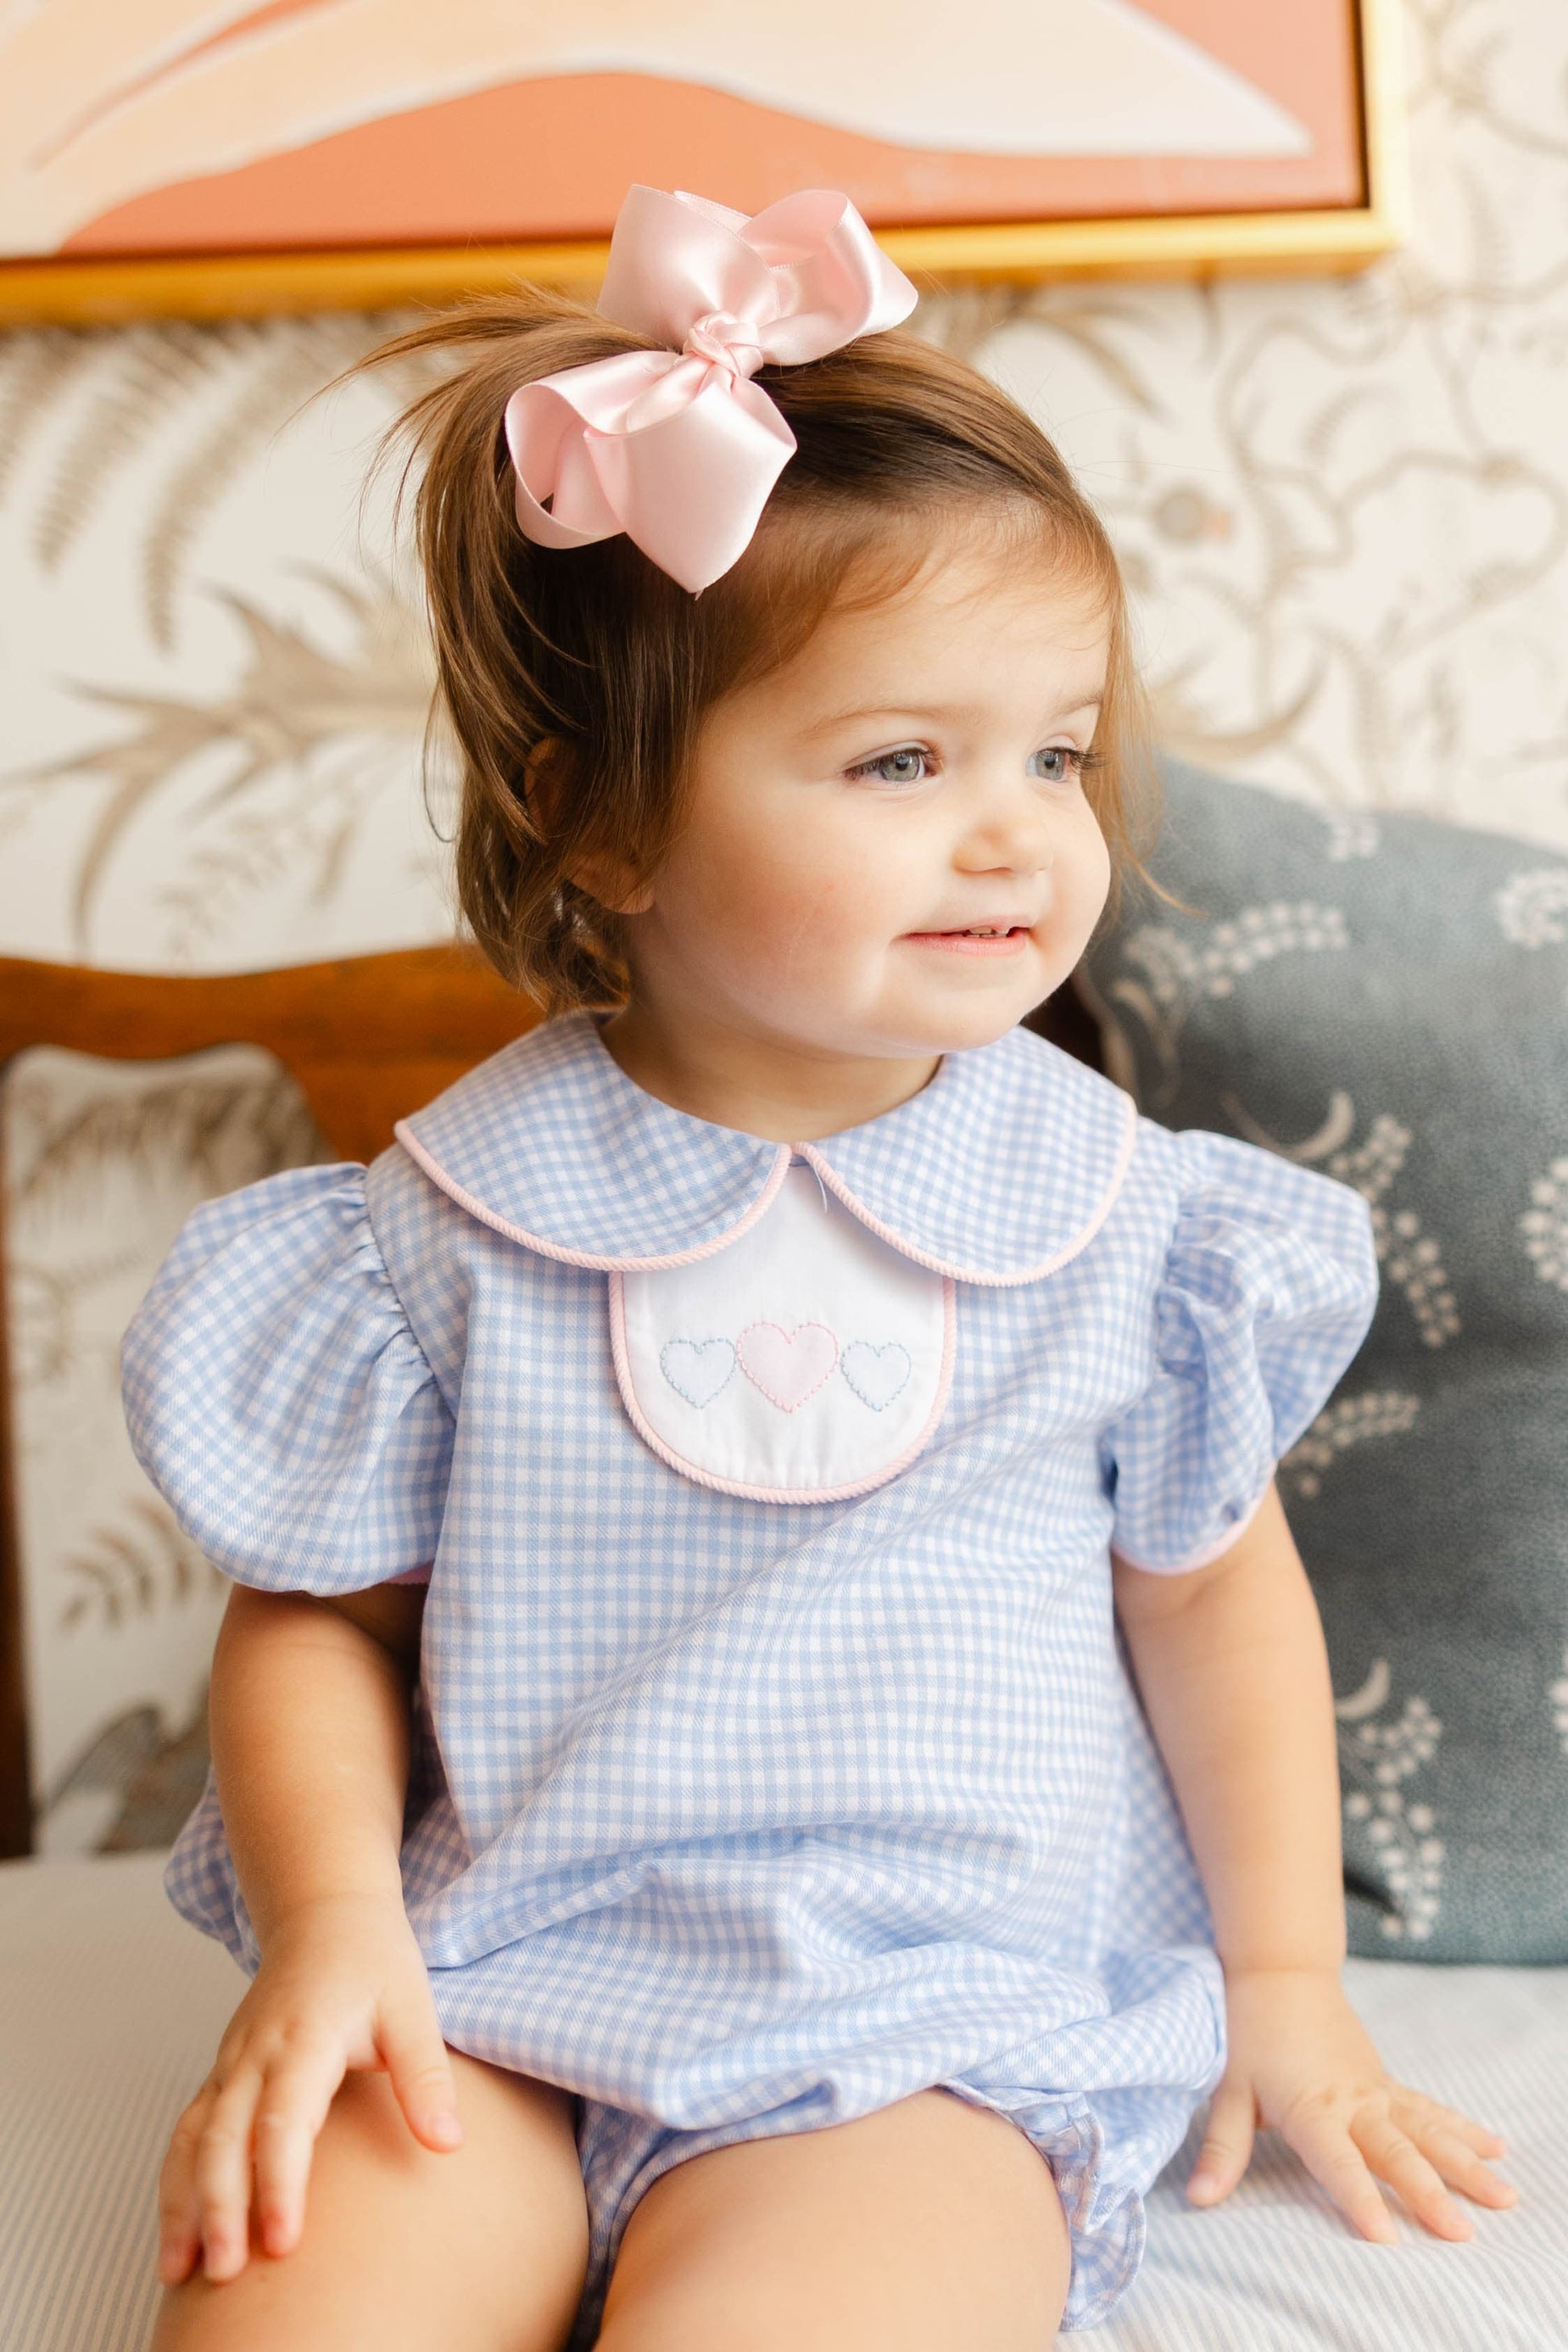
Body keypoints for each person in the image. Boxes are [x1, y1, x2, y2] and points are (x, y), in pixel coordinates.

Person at [120, 186, 1515, 2352]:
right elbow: (319, 1621)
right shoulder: (444, 1229)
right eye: (901, 762)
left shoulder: (1118, 1220)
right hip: (488, 1987)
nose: (1017, 828)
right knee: (290, 2317)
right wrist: (332, 1934)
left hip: (916, 2023)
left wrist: (1285, 1987)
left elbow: (1212, 1599)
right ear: (603, 822)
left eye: (1055, 751)